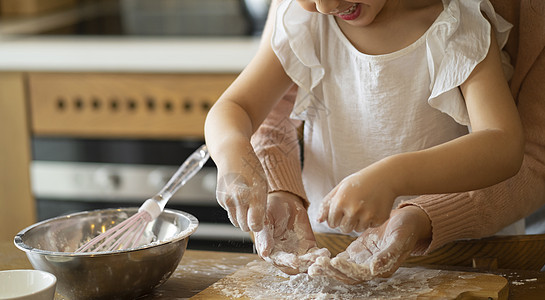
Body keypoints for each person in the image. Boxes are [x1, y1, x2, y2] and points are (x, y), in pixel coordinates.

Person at [204, 0, 526, 280]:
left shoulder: (455, 25)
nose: (326, 6)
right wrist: (233, 154)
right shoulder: (307, 22)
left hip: (457, 260)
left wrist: (393, 177)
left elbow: (501, 143)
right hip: (331, 253)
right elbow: (235, 107)